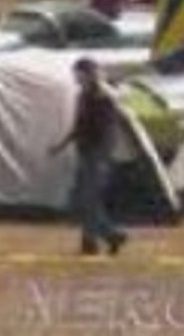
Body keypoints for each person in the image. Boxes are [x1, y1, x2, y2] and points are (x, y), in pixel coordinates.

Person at [51, 58, 129, 257]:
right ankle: (98, 239)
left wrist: (102, 155)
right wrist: (60, 146)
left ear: (89, 74)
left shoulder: (103, 96)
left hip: (96, 154)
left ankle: (103, 237)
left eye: (79, 73)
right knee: (83, 199)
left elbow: (107, 130)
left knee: (88, 199)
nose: (76, 77)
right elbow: (79, 126)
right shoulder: (83, 96)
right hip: (86, 152)